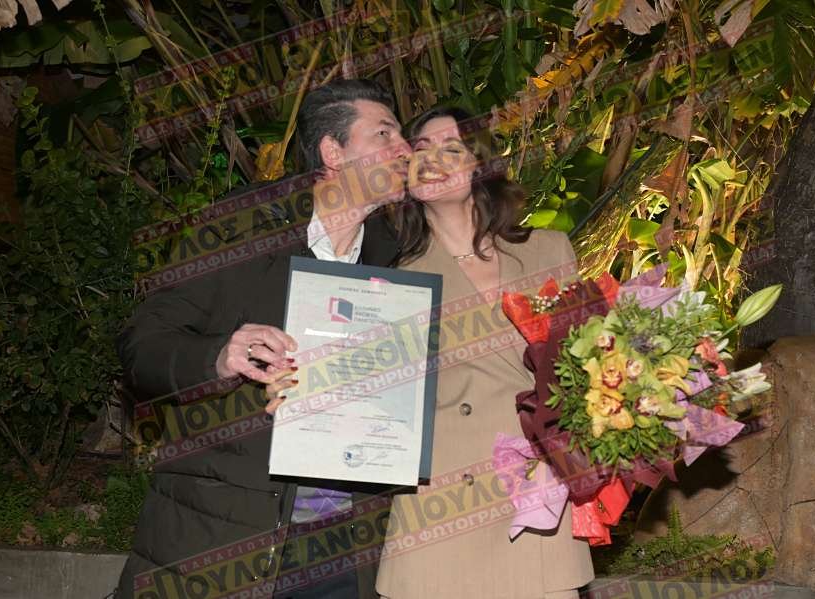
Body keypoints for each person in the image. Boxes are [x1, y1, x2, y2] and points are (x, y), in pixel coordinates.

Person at [114, 79, 411, 599]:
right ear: (333, 152)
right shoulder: (241, 227)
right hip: (225, 535)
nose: (404, 149)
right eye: (384, 133)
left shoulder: (398, 261)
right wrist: (218, 356)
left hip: (343, 547)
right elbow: (143, 347)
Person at [374, 107, 595, 598]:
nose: (432, 160)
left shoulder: (549, 251)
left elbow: (587, 367)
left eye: (450, 147)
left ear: (480, 165)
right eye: (420, 150)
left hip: (537, 492)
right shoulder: (394, 278)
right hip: (443, 501)